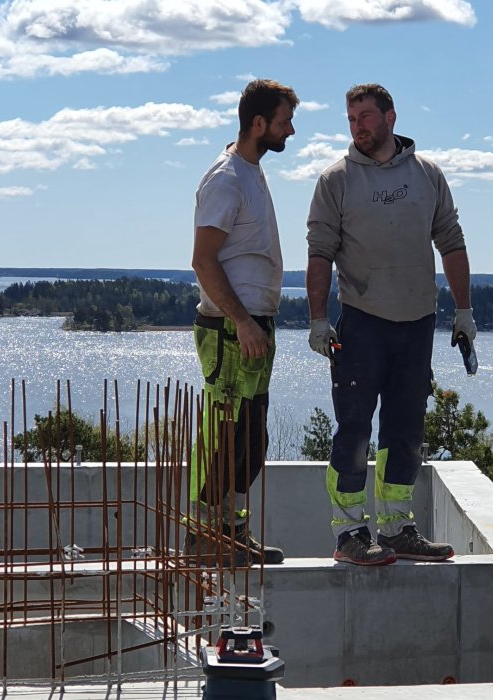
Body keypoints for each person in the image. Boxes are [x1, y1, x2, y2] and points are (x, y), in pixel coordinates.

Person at [305, 83, 476, 566]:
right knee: (354, 430)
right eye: (351, 119)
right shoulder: (335, 180)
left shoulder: (427, 175)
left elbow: (452, 242)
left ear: (390, 117)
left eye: (365, 116)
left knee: (405, 430)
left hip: (417, 322)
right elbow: (319, 253)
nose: (357, 126)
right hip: (362, 323)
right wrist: (318, 319)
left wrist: (463, 310)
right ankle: (350, 534)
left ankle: (398, 528)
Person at [188, 78, 299, 565]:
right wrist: (243, 322)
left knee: (251, 439)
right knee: (224, 434)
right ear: (258, 123)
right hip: (231, 329)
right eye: (283, 121)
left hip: (253, 325)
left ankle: (230, 531)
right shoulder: (226, 178)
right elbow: (203, 261)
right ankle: (203, 537)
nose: (289, 131)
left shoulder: (251, 171)